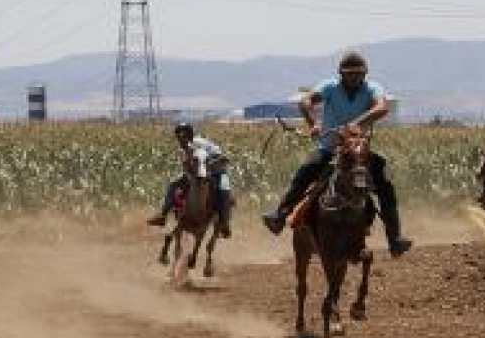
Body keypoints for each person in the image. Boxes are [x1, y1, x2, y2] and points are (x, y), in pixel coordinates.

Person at [260, 51, 413, 256]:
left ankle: (395, 238)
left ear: (365, 74)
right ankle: (280, 214)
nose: (354, 78)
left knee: (385, 187)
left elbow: (382, 108)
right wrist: (313, 123)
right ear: (341, 74)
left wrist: (357, 124)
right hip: (330, 148)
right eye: (350, 74)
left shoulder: (372, 88)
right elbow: (305, 102)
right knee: (304, 173)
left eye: (358, 74)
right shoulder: (330, 87)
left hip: (358, 151)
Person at [147, 121, 232, 236]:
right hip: (199, 172)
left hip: (216, 171)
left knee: (224, 191)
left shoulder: (199, 144)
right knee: (173, 184)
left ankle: (224, 222)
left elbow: (221, 158)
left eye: (183, 136)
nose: (180, 139)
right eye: (178, 136)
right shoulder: (186, 147)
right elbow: (188, 165)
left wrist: (208, 167)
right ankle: (163, 215)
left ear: (189, 135)